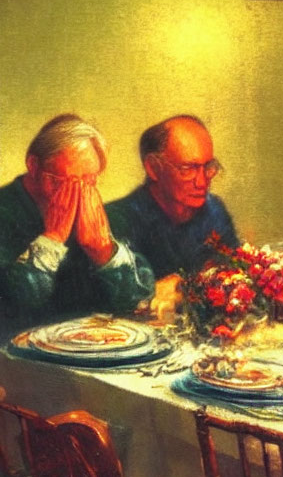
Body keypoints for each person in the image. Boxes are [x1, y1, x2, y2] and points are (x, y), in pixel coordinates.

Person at [0, 114, 154, 333]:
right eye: (66, 183)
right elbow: (13, 306)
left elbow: (139, 299)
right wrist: (52, 239)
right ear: (34, 166)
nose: (77, 195)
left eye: (88, 182)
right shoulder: (4, 211)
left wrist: (103, 252)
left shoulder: (91, 209)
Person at [106, 115, 239, 318]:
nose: (202, 182)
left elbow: (235, 276)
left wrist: (181, 287)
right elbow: (122, 304)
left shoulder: (215, 211)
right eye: (188, 169)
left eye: (208, 167)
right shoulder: (117, 220)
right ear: (153, 168)